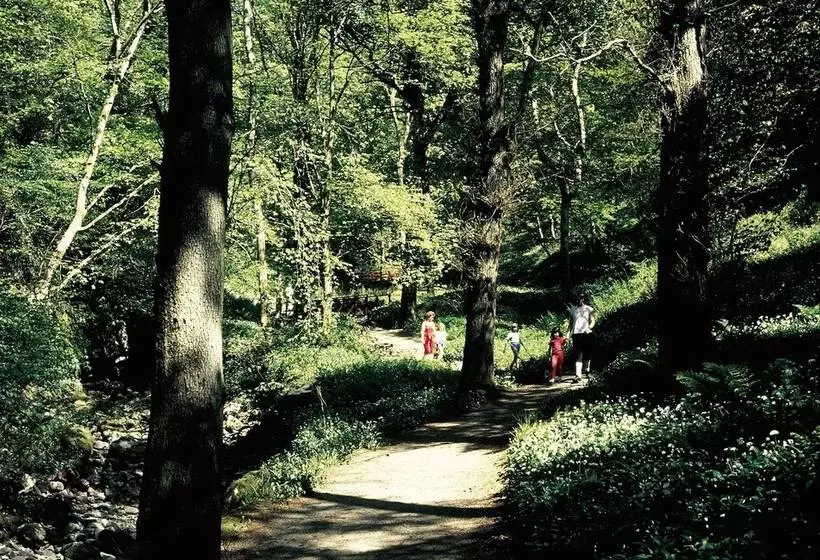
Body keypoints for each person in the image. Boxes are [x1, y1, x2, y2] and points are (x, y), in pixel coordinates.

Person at [570, 294, 595, 381]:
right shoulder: (573, 310)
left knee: (587, 354)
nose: (579, 300)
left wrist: (589, 328)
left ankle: (587, 371)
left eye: (580, 298)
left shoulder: (588, 309)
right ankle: (578, 375)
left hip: (586, 334)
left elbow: (592, 321)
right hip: (576, 334)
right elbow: (570, 324)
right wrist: (569, 334)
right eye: (577, 298)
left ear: (583, 299)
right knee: (578, 355)